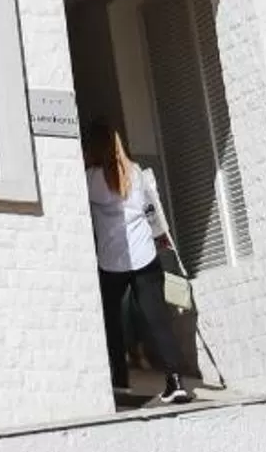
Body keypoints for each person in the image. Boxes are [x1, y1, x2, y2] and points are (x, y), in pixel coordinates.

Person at [82, 118, 193, 404]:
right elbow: (151, 210)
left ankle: (119, 379)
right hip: (145, 254)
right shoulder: (136, 173)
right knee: (157, 318)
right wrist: (161, 237)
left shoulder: (90, 179)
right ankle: (176, 381)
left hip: (111, 259)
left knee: (111, 319)